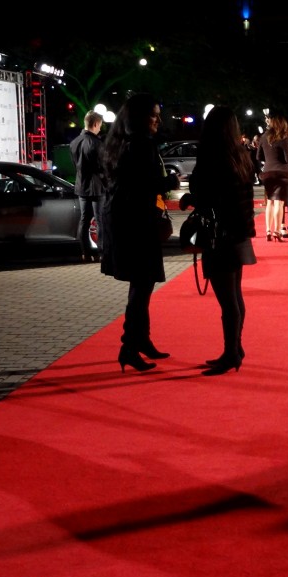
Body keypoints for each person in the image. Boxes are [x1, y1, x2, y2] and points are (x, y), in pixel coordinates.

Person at [99, 93, 180, 373]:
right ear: (139, 117)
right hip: (136, 224)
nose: (158, 119)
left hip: (124, 222)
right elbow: (145, 184)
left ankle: (140, 341)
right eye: (153, 114)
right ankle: (129, 347)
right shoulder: (141, 145)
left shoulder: (118, 143)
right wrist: (168, 180)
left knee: (141, 285)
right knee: (141, 286)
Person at [188, 106, 257, 375]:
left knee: (227, 300)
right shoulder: (240, 155)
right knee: (235, 296)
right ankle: (234, 348)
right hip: (238, 231)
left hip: (219, 234)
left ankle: (231, 352)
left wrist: (192, 198)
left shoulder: (212, 157)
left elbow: (205, 194)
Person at [69, 109, 106, 262]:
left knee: (84, 220)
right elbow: (102, 167)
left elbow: (75, 164)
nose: (99, 129)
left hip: (81, 186)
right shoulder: (96, 143)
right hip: (97, 187)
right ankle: (103, 252)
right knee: (100, 220)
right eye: (100, 126)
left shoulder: (74, 142)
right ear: (96, 124)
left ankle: (85, 251)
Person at [257, 114, 288, 242]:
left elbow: (258, 156)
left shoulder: (264, 137)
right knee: (279, 203)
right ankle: (277, 230)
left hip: (268, 172)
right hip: (281, 173)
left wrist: (269, 160)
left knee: (269, 201)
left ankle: (268, 230)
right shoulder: (284, 138)